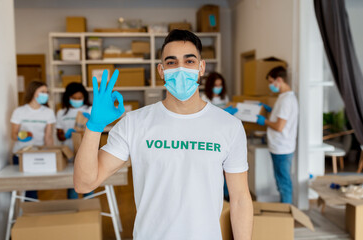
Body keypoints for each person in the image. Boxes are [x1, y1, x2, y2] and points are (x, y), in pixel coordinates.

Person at [74, 29, 253, 240]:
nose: (180, 69)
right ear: (161, 70)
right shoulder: (135, 123)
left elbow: (240, 198)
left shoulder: (229, 126)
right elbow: (84, 183)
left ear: (201, 67)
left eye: (189, 61)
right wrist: (94, 126)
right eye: (171, 62)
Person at [256, 66, 298, 204]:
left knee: (283, 183)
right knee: (281, 181)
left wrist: (265, 121)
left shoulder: (286, 100)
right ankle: (285, 211)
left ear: (279, 80)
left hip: (282, 148)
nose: (270, 85)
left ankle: (287, 214)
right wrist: (270, 110)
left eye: (271, 81)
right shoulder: (284, 97)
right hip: (280, 146)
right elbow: (281, 118)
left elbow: (279, 126)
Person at [10, 80, 56, 199]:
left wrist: (51, 153)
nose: (45, 94)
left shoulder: (48, 112)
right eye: (42, 92)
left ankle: (30, 211)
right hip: (20, 154)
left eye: (46, 92)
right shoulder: (19, 111)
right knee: (21, 187)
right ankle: (23, 212)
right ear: (33, 92)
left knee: (32, 188)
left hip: (37, 153)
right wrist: (22, 136)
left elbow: (48, 136)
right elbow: (13, 135)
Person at [56, 82, 92, 199]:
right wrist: (66, 135)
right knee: (72, 183)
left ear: (84, 97)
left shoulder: (90, 109)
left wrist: (92, 121)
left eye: (79, 98)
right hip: (69, 152)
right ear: (68, 97)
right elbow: (59, 136)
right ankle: (74, 211)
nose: (77, 100)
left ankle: (89, 210)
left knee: (88, 183)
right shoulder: (61, 113)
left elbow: (97, 131)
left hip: (86, 151)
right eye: (74, 98)